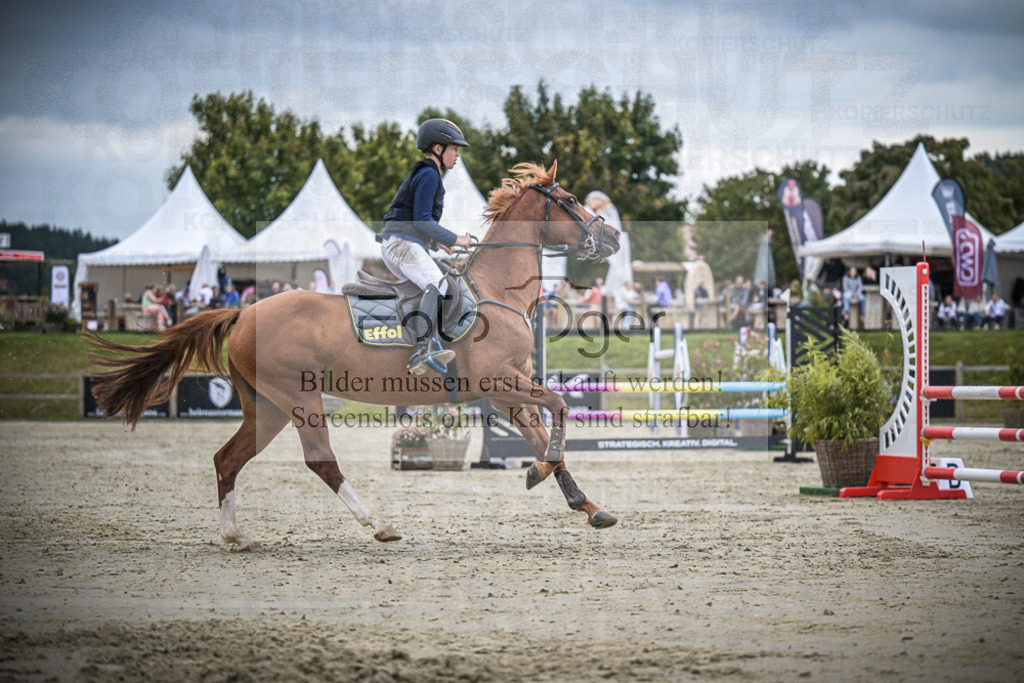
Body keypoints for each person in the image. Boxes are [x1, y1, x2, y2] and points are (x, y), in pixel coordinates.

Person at [379, 118, 473, 375]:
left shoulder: (428, 174)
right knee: (438, 283)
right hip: (401, 246)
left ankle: (429, 341)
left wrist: (439, 242)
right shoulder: (430, 174)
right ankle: (422, 350)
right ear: (438, 148)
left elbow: (418, 223)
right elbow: (422, 220)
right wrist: (457, 239)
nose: (458, 154)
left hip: (403, 243)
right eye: (454, 148)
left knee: (439, 280)